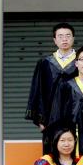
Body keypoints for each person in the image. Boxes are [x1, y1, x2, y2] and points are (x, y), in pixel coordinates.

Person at [26, 22, 78, 151]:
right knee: (52, 151)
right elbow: (37, 91)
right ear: (54, 40)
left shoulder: (82, 61)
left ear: (73, 38)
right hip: (51, 117)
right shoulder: (45, 63)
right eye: (60, 36)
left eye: (68, 36)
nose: (64, 39)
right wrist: (40, 120)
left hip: (76, 115)